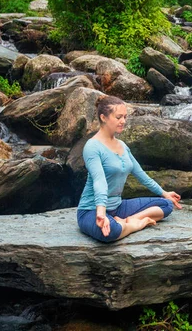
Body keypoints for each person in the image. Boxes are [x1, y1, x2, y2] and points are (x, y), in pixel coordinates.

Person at [77, 95, 182, 242]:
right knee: (110, 232)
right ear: (104, 117)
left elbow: (141, 175)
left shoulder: (122, 146)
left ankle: (127, 220)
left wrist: (164, 193)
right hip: (92, 210)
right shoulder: (92, 146)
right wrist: (101, 213)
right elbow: (99, 181)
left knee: (167, 205)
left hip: (118, 207)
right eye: (118, 117)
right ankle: (135, 225)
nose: (123, 121)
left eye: (125, 117)